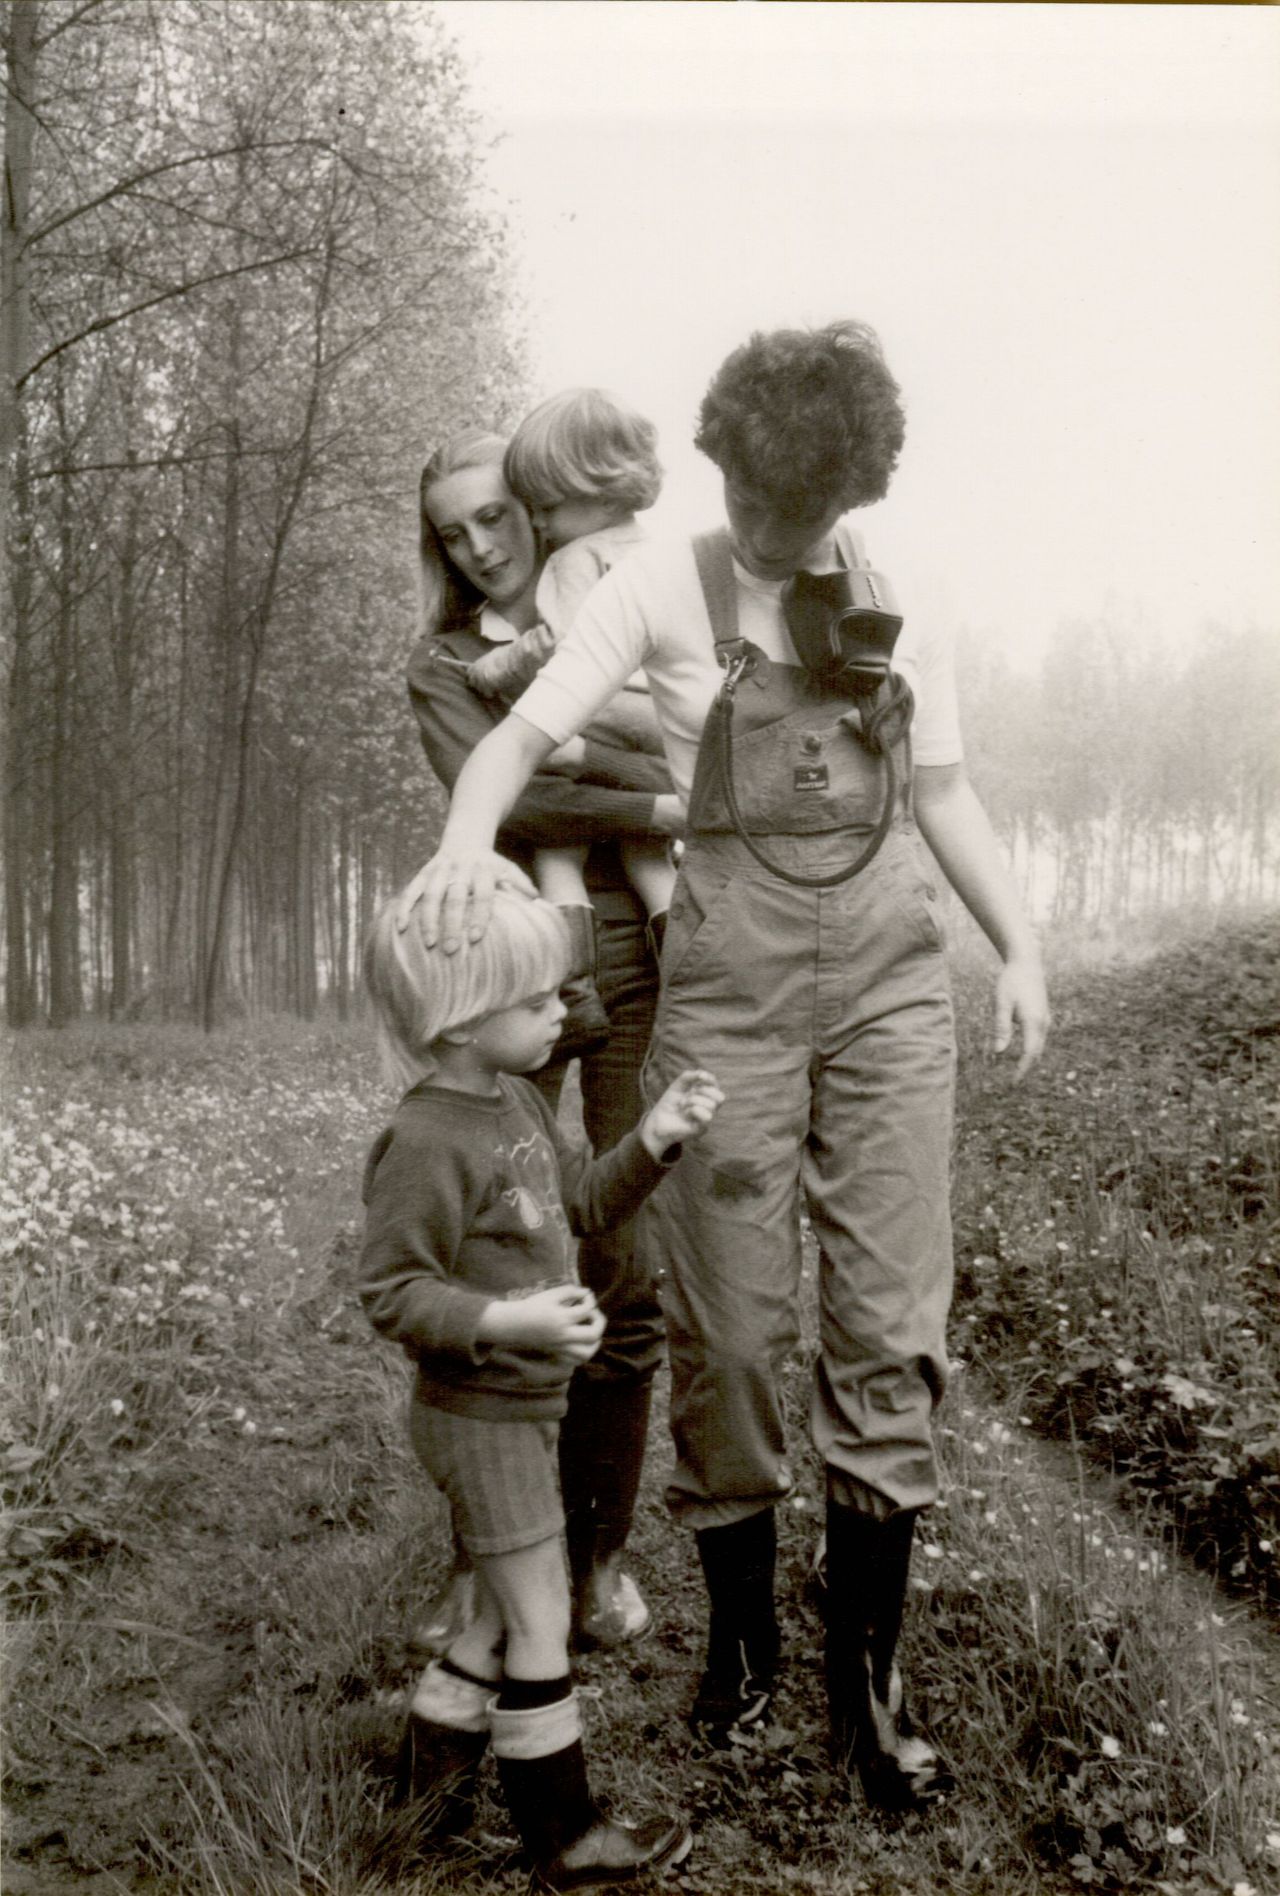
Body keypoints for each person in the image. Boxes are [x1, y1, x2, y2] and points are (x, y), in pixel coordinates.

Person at [398, 321, 1051, 1814]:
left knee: (890, 1317)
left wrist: (1016, 946)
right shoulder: (653, 584)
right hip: (729, 989)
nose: (770, 533)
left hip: (889, 986)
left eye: (800, 513)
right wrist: (456, 843)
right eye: (751, 501)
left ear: (850, 493)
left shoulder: (909, 596)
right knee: (736, 1328)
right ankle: (744, 1642)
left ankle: (866, 1681)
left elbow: (941, 788)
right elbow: (518, 743)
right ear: (723, 467)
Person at [359, 887, 719, 1887]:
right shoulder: (426, 1141)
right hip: (478, 1421)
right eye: (535, 999)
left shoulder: (511, 1099)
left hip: (520, 1414)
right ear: (463, 1022)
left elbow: (585, 1201)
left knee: (488, 1614)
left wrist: (653, 1138)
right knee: (538, 1619)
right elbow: (389, 1291)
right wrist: (505, 1320)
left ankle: (425, 1795)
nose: (564, 1010)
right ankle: (564, 1834)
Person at [409, 430, 682, 1650]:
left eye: (490, 518)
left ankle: (596, 1563)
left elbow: (679, 732)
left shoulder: (621, 601)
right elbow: (519, 798)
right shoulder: (441, 663)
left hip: (633, 965)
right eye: (449, 533)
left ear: (533, 509)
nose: (475, 546)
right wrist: (661, 802)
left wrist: (641, 780)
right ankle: (489, 1564)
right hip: (507, 974)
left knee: (622, 1266)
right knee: (493, 1250)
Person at [466, 388, 676, 985]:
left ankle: (573, 987)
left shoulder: (575, 559)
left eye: (546, 507)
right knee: (650, 854)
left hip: (604, 710)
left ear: (599, 489)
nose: (536, 522)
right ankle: (689, 970)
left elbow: (567, 646)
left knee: (558, 850)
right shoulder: (664, 553)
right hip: (661, 719)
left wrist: (499, 668)